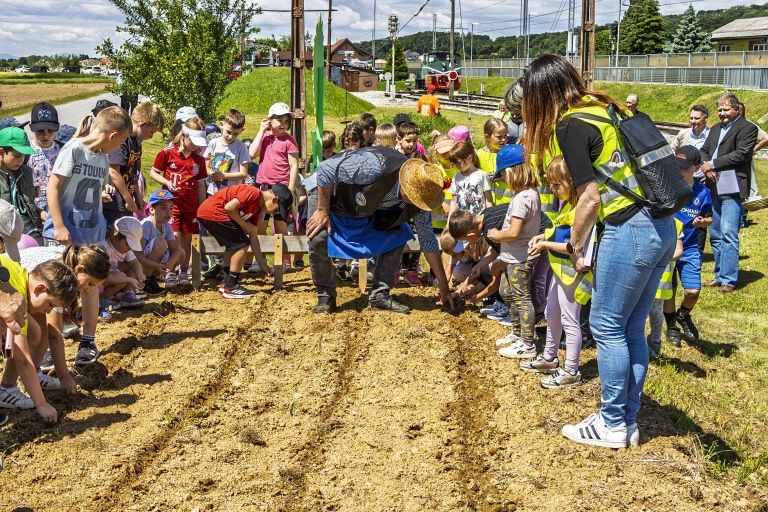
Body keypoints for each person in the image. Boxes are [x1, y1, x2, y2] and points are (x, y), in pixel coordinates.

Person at [522, 54, 675, 449]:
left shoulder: (571, 123)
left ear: (542, 94)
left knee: (607, 327)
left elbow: (588, 199)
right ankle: (626, 419)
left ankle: (610, 423)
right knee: (629, 329)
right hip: (660, 225)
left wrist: (574, 248)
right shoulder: (606, 107)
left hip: (630, 230)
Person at [305, 147, 453, 313]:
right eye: (413, 196)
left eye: (418, 200)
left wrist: (444, 286)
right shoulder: (374, 166)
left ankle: (380, 295)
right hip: (329, 191)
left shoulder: (422, 202)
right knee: (318, 236)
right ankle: (325, 296)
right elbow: (326, 169)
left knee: (398, 234)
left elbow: (428, 241)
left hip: (365, 206)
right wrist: (323, 210)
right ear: (406, 181)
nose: (414, 202)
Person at [525, 155, 592, 388]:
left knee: (570, 320)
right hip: (561, 270)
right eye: (550, 184)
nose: (552, 190)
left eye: (557, 185)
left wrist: (544, 245)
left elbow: (573, 245)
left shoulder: (582, 208)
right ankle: (550, 356)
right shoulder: (568, 203)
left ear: (572, 182)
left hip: (574, 273)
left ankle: (572, 370)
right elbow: (561, 232)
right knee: (551, 312)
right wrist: (544, 236)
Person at [0, 258, 78, 423]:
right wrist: (41, 404)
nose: (48, 311)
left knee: (33, 331)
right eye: (50, 305)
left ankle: (6, 388)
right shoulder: (17, 296)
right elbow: (23, 360)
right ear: (40, 288)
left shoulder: (20, 276)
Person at [43, 106, 132, 247]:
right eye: (121, 141)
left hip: (92, 236)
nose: (120, 146)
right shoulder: (74, 149)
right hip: (65, 237)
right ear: (113, 136)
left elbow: (90, 188)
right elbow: (52, 187)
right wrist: (59, 227)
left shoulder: (103, 158)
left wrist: (101, 194)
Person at [699, 93, 758, 293]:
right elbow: (704, 150)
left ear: (736, 109)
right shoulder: (715, 129)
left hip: (732, 187)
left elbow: (741, 154)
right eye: (719, 110)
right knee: (715, 233)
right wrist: (708, 167)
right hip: (714, 184)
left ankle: (729, 279)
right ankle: (719, 275)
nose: (722, 113)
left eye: (725, 110)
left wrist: (713, 164)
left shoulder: (748, 128)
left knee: (729, 233)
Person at [20, 243, 110, 373]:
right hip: (8, 290)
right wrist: (64, 376)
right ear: (79, 269)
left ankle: (87, 342)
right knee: (36, 331)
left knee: (39, 330)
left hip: (22, 291)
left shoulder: (74, 260)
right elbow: (54, 334)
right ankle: (29, 373)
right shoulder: (59, 276)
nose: (88, 288)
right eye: (90, 283)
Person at [485, 151, 541, 360]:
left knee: (521, 297)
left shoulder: (521, 198)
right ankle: (518, 333)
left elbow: (514, 232)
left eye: (504, 176)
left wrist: (497, 235)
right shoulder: (530, 194)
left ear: (510, 172)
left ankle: (527, 343)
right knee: (506, 291)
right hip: (514, 256)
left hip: (519, 257)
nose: (504, 182)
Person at [197, 184, 292, 298]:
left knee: (233, 246)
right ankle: (231, 287)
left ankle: (227, 283)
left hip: (210, 214)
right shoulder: (253, 193)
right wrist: (244, 224)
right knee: (241, 245)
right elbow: (229, 208)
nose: (273, 214)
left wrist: (262, 264)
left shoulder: (256, 209)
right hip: (213, 212)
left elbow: (253, 235)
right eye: (276, 209)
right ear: (274, 199)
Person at [150, 117, 208, 289]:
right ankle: (170, 271)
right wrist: (167, 183)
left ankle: (184, 271)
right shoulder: (167, 153)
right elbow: (154, 173)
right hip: (171, 207)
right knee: (173, 238)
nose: (195, 146)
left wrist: (202, 207)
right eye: (193, 141)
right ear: (184, 136)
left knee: (188, 238)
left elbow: (200, 185)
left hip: (191, 207)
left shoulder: (198, 160)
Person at [663, 146, 713, 347]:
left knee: (692, 291)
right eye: (677, 166)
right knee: (669, 290)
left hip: (690, 247)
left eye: (684, 167)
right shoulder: (666, 187)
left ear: (697, 167)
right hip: (667, 247)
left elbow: (709, 218)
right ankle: (672, 326)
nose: (680, 170)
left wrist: (704, 222)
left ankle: (684, 315)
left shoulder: (703, 193)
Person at [248, 102, 299, 270]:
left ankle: (284, 260)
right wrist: (261, 130)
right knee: (260, 225)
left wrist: (290, 191)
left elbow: (293, 166)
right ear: (270, 120)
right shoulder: (265, 137)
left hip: (281, 187)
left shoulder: (289, 141)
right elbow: (252, 154)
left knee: (281, 225)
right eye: (280, 120)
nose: (283, 124)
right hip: (263, 186)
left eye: (286, 121)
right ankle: (259, 259)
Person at [105, 101, 165, 229]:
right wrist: (128, 199)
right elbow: (113, 171)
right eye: (151, 132)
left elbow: (134, 174)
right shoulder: (122, 140)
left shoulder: (137, 143)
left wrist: (137, 197)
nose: (151, 136)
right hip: (114, 202)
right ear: (142, 124)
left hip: (127, 202)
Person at [0, 127, 43, 243]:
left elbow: (28, 203)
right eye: (17, 156)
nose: (21, 160)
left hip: (29, 228)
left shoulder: (26, 172)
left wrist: (40, 212)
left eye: (24, 155)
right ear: (1, 152)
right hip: (5, 232)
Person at [137, 189, 182, 296]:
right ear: (152, 209)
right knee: (160, 243)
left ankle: (153, 277)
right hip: (138, 265)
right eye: (164, 208)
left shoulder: (166, 225)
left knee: (181, 253)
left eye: (171, 208)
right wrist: (156, 265)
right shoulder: (146, 225)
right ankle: (145, 281)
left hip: (152, 261)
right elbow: (137, 254)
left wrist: (170, 263)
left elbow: (175, 249)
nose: (169, 212)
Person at [101, 216, 146, 308]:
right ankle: (101, 299)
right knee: (122, 279)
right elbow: (103, 276)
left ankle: (128, 293)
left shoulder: (126, 250)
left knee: (132, 267)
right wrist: (129, 279)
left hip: (115, 275)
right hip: (102, 280)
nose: (130, 248)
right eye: (128, 244)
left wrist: (139, 273)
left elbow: (135, 263)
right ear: (115, 235)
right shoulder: (104, 248)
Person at [205, 109, 252, 195]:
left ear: (241, 131)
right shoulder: (213, 143)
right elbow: (207, 167)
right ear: (222, 124)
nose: (231, 137)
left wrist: (223, 176)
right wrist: (213, 174)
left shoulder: (241, 147)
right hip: (213, 192)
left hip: (232, 193)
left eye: (235, 134)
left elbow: (243, 173)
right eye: (228, 132)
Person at [27, 102, 62, 218]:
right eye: (40, 130)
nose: (45, 135)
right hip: (32, 210)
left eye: (50, 131)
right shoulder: (24, 151)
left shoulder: (63, 149)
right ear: (31, 127)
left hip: (59, 209)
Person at [446, 141, 493, 216]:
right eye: (455, 164)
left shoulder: (482, 175)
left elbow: (489, 200)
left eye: (459, 162)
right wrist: (449, 223)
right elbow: (453, 201)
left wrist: (489, 218)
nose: (457, 166)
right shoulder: (456, 177)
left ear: (470, 158)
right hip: (461, 222)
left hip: (478, 220)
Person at [476, 118, 512, 205]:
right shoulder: (479, 154)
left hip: (508, 202)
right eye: (499, 137)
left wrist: (503, 177)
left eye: (505, 136)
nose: (503, 139)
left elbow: (519, 176)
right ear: (487, 137)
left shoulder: (510, 152)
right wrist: (485, 177)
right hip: (487, 203)